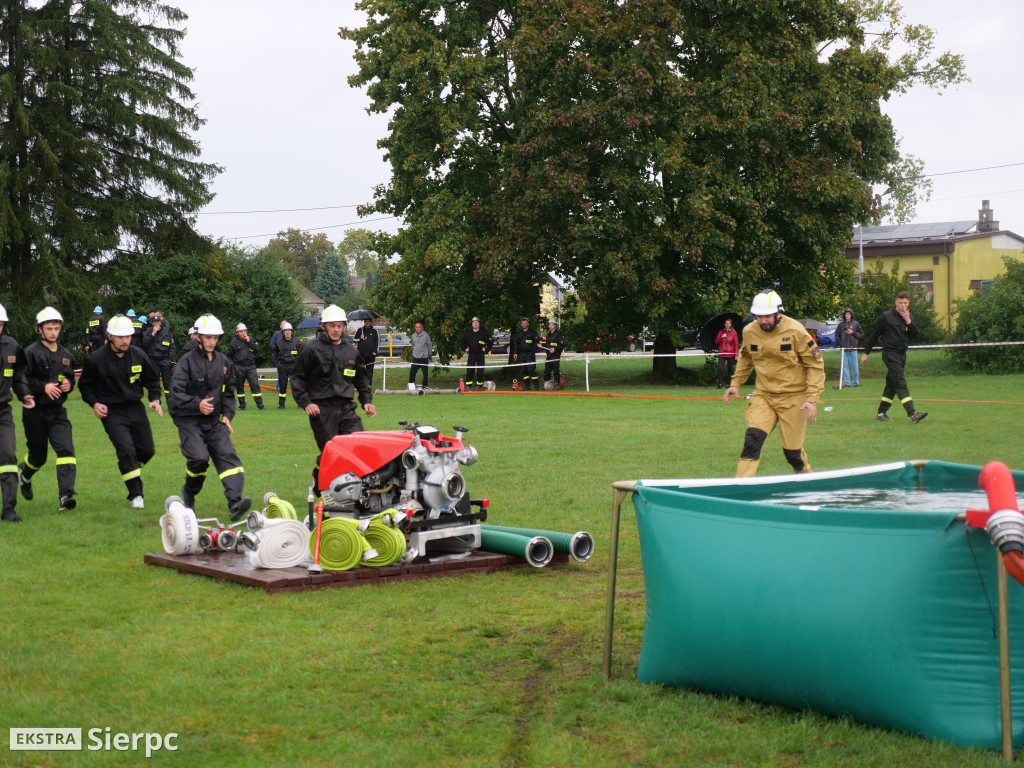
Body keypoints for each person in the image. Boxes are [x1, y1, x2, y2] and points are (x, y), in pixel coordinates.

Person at [724, 290, 825, 478]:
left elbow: (815, 365)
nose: (763, 321)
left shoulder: (796, 331)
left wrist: (812, 399)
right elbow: (745, 358)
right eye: (759, 316)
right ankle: (740, 488)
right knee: (752, 440)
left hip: (794, 398)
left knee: (793, 454)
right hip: (764, 396)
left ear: (778, 313)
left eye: (767, 316)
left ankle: (809, 483)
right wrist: (735, 383)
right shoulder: (749, 331)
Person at [169, 313, 251, 521]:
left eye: (215, 338)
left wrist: (227, 416)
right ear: (198, 337)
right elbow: (176, 394)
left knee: (228, 458)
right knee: (199, 459)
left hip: (214, 421)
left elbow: (228, 393)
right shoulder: (186, 362)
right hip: (188, 420)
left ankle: (235, 504)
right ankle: (189, 493)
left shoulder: (224, 363)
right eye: (208, 337)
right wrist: (197, 404)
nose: (212, 342)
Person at [78, 314, 163, 509]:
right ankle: (136, 495)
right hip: (111, 411)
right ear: (109, 336)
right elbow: (85, 386)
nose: (125, 340)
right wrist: (95, 403)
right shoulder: (96, 359)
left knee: (147, 451)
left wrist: (155, 399)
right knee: (125, 449)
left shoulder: (139, 355)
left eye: (128, 336)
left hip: (135, 407)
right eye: (120, 336)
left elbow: (151, 380)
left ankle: (129, 465)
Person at [290, 305, 376, 488]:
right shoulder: (311, 349)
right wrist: (306, 403)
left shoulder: (352, 351)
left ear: (344, 326)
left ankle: (354, 488)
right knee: (332, 453)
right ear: (324, 326)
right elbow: (297, 378)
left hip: (347, 409)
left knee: (358, 445)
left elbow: (361, 379)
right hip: (322, 410)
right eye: (332, 326)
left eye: (339, 326)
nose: (336, 330)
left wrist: (367, 402)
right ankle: (321, 482)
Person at [18, 307, 78, 512]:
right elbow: (22, 379)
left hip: (57, 412)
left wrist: (69, 384)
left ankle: (66, 496)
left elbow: (69, 376)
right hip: (34, 412)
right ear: (40, 329)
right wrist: (43, 387)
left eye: (56, 328)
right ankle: (24, 475)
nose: (53, 332)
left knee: (66, 449)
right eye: (49, 328)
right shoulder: (30, 353)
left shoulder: (67, 355)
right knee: (39, 456)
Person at [861, 291, 927, 423]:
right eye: (900, 303)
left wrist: (908, 321)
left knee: (892, 384)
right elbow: (874, 335)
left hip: (902, 354)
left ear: (908, 303)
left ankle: (881, 413)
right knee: (900, 381)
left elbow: (915, 335)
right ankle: (913, 413)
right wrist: (866, 353)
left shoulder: (909, 317)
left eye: (905, 303)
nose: (903, 305)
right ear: (895, 302)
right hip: (890, 354)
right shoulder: (886, 316)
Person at [1, 303, 35, 522]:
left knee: (8, 456)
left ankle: (8, 508)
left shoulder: (11, 346)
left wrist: (24, 394)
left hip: (2, 411)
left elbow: (19, 374)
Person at [227, 322, 264, 410]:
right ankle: (242, 405)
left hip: (251, 366)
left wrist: (250, 342)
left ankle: (260, 405)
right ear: (237, 333)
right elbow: (229, 356)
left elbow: (257, 349)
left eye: (245, 331)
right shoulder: (234, 342)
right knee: (240, 387)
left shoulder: (251, 339)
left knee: (255, 385)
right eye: (241, 331)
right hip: (239, 367)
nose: (243, 333)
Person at [142, 309, 175, 394]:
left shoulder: (166, 331)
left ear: (160, 322)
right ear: (152, 323)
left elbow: (172, 345)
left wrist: (170, 359)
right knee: (155, 383)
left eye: (158, 322)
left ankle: (170, 404)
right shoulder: (149, 331)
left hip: (165, 360)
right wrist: (152, 334)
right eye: (155, 322)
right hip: (153, 360)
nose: (157, 324)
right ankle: (156, 403)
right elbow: (145, 344)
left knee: (167, 383)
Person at [272, 322, 301, 409]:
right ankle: (281, 404)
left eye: (289, 330)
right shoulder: (279, 342)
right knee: (282, 385)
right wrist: (277, 364)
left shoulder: (297, 341)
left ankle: (300, 404)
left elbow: (301, 354)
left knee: (296, 385)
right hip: (282, 366)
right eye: (285, 330)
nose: (287, 332)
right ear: (283, 332)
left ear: (292, 332)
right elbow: (274, 353)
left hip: (294, 366)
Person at [459, 317, 491, 390]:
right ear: (472, 324)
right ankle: (468, 385)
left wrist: (486, 349)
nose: (475, 324)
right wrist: (465, 348)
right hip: (471, 354)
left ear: (479, 324)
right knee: (470, 370)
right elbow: (462, 342)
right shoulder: (468, 333)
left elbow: (490, 341)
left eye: (477, 322)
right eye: (474, 322)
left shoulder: (484, 333)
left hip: (480, 354)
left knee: (480, 370)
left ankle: (479, 385)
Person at [835, 308, 863, 387]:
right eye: (846, 314)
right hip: (843, 349)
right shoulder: (841, 324)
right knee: (844, 367)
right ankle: (847, 383)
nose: (847, 315)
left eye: (849, 314)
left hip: (853, 348)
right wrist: (840, 343)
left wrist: (852, 333)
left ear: (851, 315)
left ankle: (855, 383)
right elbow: (837, 334)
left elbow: (860, 334)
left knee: (854, 366)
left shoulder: (855, 324)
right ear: (844, 315)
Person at [513, 317, 540, 390]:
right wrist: (515, 353)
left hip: (530, 354)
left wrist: (537, 346)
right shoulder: (519, 333)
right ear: (521, 324)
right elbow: (517, 344)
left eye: (525, 323)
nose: (524, 324)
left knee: (531, 370)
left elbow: (537, 342)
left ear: (528, 323)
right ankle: (527, 387)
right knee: (523, 371)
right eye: (522, 323)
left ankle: (536, 386)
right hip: (522, 354)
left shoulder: (532, 332)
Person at [353, 317, 380, 383]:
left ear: (371, 322)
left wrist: (375, 351)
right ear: (364, 322)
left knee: (370, 370)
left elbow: (378, 341)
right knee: (360, 369)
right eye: (366, 321)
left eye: (368, 321)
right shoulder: (360, 330)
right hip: (361, 353)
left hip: (371, 354)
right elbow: (354, 339)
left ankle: (368, 384)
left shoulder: (375, 330)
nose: (367, 323)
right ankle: (361, 384)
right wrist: (360, 338)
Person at [714, 318, 739, 389]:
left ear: (731, 325)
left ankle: (728, 384)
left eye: (729, 323)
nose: (727, 325)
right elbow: (716, 342)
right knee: (720, 368)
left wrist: (736, 355)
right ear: (724, 324)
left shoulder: (734, 333)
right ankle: (719, 384)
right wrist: (721, 337)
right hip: (722, 353)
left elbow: (736, 345)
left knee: (730, 369)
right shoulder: (721, 332)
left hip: (730, 354)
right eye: (726, 323)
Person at [541, 319, 564, 389]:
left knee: (556, 370)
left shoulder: (558, 334)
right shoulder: (548, 334)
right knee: (547, 370)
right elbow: (547, 346)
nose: (551, 326)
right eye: (549, 325)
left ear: (555, 326)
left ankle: (556, 384)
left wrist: (555, 348)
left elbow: (562, 345)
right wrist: (541, 346)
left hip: (555, 355)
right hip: (549, 356)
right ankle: (546, 384)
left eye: (552, 325)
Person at [408, 322, 432, 389]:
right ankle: (411, 386)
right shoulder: (413, 336)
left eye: (419, 327)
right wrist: (413, 353)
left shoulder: (426, 335)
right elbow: (412, 345)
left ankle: (425, 386)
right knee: (412, 373)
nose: (418, 329)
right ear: (415, 328)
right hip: (415, 357)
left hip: (424, 358)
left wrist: (429, 354)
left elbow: (429, 345)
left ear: (422, 328)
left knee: (425, 374)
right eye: (416, 327)